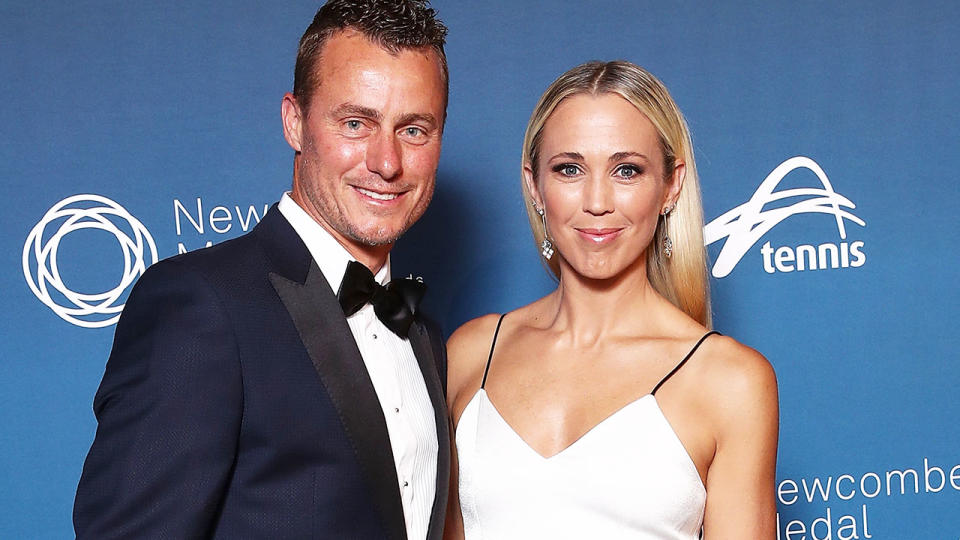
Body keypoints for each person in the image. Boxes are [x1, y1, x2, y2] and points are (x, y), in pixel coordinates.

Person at [73, 1, 450, 538]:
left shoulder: (426, 335)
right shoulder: (200, 304)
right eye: (355, 122)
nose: (386, 161)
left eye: (414, 130)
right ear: (295, 123)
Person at [445, 61, 779, 539]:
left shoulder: (729, 381)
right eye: (569, 169)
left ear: (670, 186)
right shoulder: (472, 352)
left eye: (626, 170)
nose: (597, 200)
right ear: (534, 185)